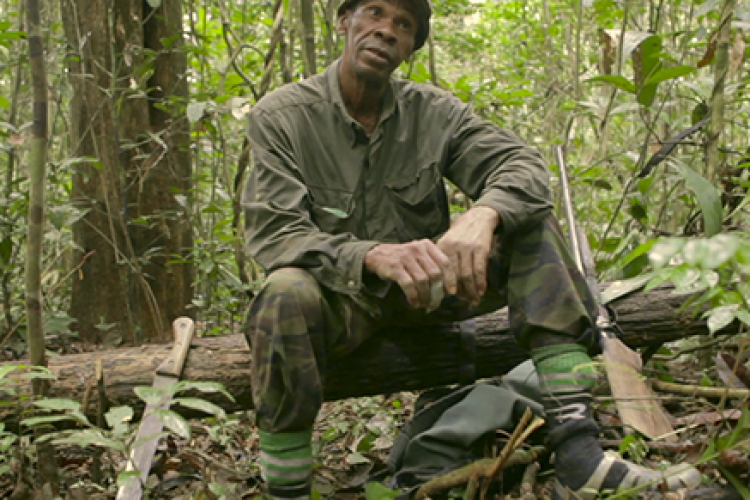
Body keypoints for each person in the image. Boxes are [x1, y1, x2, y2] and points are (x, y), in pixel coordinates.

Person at [241, 1, 701, 498]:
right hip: (341, 300)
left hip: (433, 292)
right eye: (374, 12)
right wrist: (372, 255)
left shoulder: (434, 112)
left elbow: (523, 168)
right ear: (344, 22)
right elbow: (276, 233)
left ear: (411, 47)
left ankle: (578, 450)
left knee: (530, 222)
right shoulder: (283, 115)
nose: (386, 30)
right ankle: (286, 489)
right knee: (284, 290)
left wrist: (485, 213)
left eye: (404, 24)